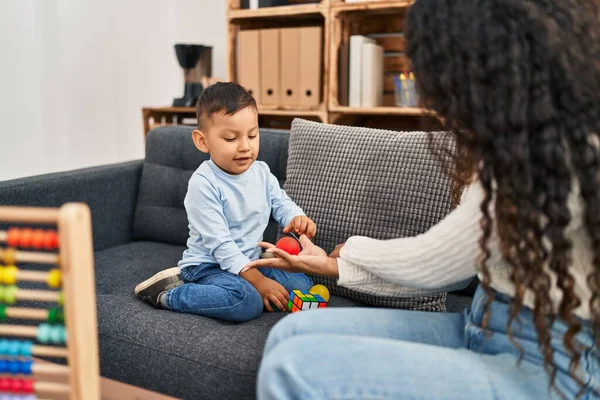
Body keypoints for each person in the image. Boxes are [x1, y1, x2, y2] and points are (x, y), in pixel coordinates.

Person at [245, 0, 600, 398]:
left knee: (291, 368)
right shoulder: (508, 142)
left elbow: (439, 260)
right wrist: (331, 265)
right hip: (483, 322)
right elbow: (462, 270)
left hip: (555, 366)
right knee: (291, 332)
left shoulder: (564, 151)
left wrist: (349, 253)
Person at [135, 82, 316, 322]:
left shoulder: (261, 171)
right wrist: (259, 282)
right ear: (202, 141)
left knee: (302, 285)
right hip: (208, 267)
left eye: (252, 135)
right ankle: (170, 294)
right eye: (231, 138)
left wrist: (296, 217)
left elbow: (281, 202)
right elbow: (221, 246)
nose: (245, 146)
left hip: (250, 261)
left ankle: (249, 287)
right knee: (246, 302)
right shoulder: (204, 183)